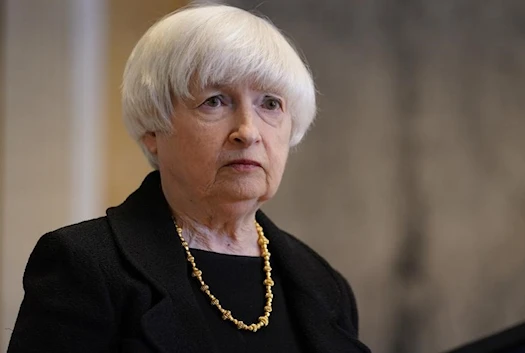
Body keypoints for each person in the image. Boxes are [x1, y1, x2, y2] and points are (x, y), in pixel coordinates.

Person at [8, 4, 371, 353]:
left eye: (270, 104)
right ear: (154, 128)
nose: (248, 131)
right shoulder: (83, 265)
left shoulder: (324, 284)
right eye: (215, 101)